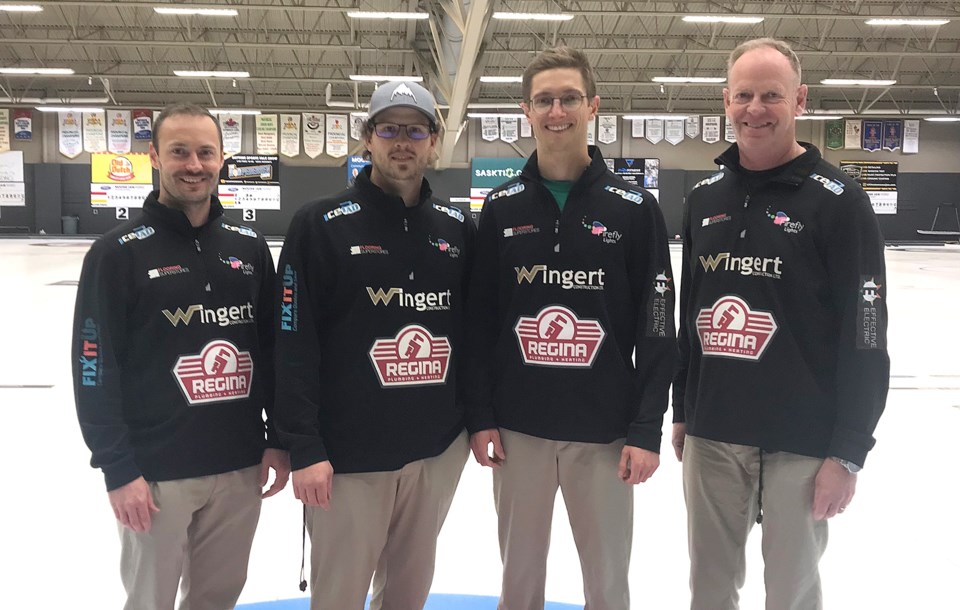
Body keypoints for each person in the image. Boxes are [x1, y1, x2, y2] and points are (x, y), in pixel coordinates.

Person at [673, 38, 890, 610]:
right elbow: (689, 316)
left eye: (772, 95)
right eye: (744, 95)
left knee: (790, 593)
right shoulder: (703, 199)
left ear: (800, 100)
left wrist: (847, 452)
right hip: (714, 433)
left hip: (802, 441)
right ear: (725, 101)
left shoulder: (840, 201)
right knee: (709, 589)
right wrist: (682, 410)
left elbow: (866, 334)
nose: (756, 109)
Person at [465, 47, 677, 610]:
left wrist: (646, 427)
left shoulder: (634, 208)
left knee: (608, 584)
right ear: (526, 112)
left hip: (605, 434)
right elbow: (480, 321)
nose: (556, 110)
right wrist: (481, 416)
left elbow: (659, 324)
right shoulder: (501, 207)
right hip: (517, 433)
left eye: (569, 98)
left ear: (593, 107)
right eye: (544, 100)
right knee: (519, 584)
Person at [71, 102, 289, 610]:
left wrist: (277, 438)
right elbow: (93, 365)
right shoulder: (117, 253)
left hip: (239, 466)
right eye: (180, 152)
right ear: (154, 157)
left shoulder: (250, 247)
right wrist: (118, 469)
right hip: (155, 474)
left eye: (205, 152)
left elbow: (276, 349)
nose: (194, 164)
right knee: (151, 600)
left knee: (218, 597)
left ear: (222, 159)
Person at [274, 81, 473, 610]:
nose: (401, 142)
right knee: (338, 597)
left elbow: (476, 335)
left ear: (434, 141)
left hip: (434, 454)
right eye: (389, 129)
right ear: (367, 138)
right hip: (346, 461)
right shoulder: (318, 225)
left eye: (415, 130)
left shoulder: (457, 229)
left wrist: (471, 426)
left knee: (408, 596)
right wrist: (304, 446)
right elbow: (293, 341)